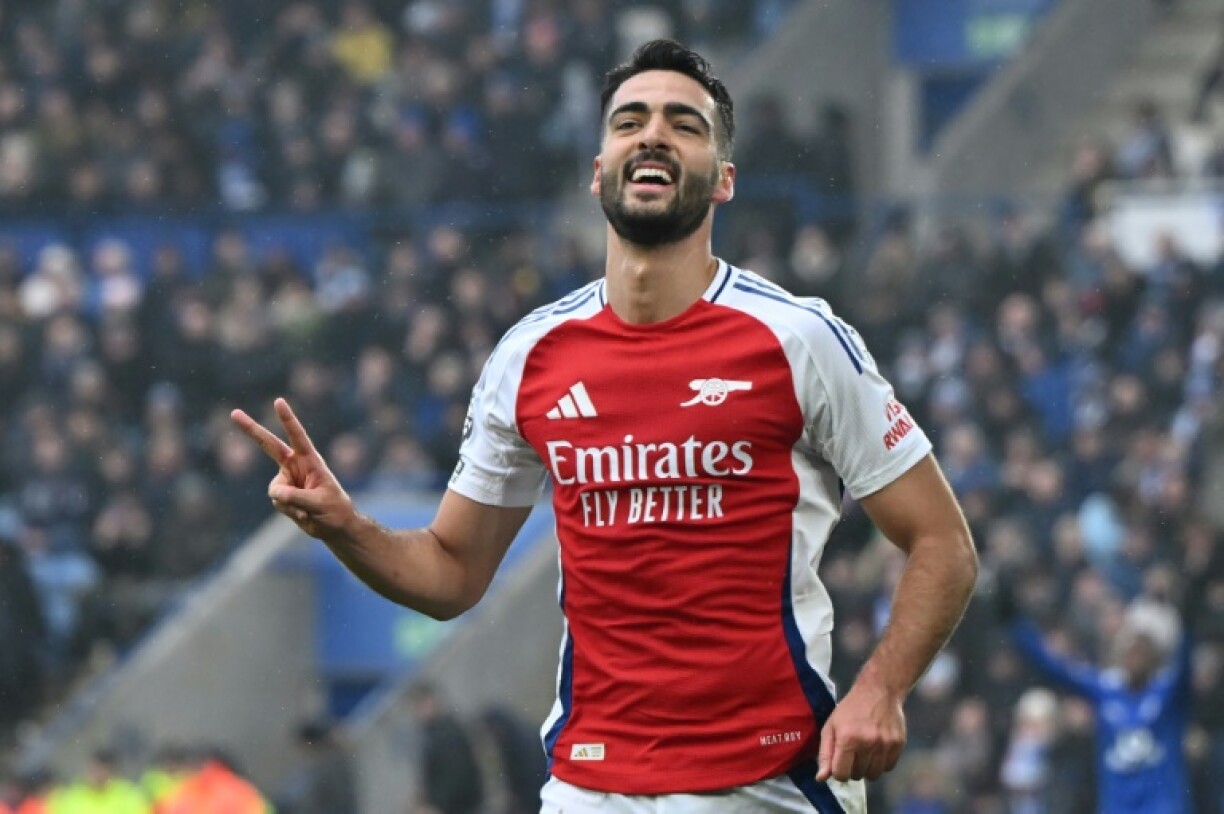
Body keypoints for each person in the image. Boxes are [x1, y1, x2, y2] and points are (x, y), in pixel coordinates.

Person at [232, 39, 978, 813]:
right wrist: (347, 527)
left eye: (684, 125)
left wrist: (881, 690)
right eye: (630, 120)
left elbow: (943, 542)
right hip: (589, 785)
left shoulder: (800, 341)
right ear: (598, 171)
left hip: (765, 783)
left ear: (723, 180)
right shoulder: (530, 356)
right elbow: (451, 572)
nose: (653, 134)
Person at [1004, 585, 1193, 814]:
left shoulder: (1167, 693)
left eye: (1143, 651)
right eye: (1132, 649)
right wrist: (1015, 624)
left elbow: (1185, 664)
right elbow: (1057, 669)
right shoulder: (1105, 690)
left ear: (1155, 658)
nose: (1136, 655)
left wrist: (1187, 612)